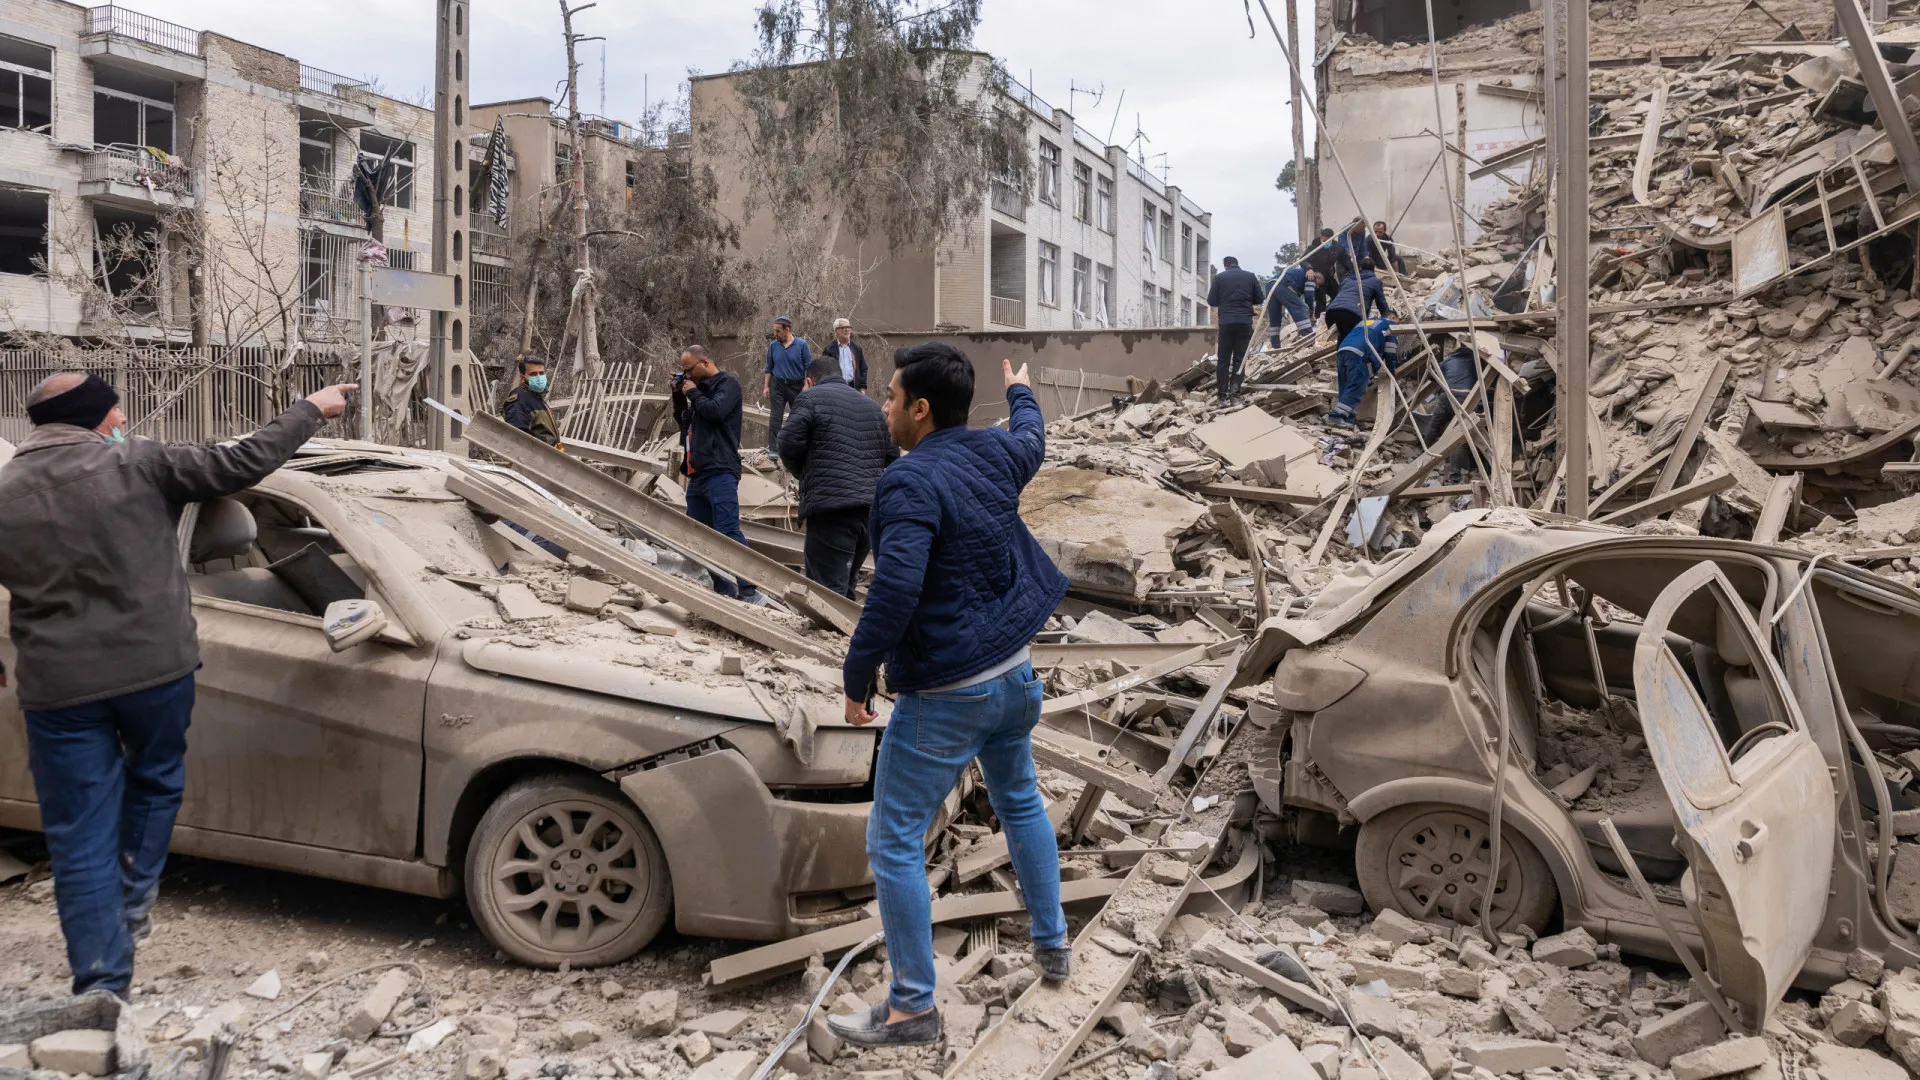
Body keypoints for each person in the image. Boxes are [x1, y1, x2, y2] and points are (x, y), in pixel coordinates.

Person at [0, 372, 355, 997]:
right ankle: (134, 899)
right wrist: (311, 409)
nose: (120, 421)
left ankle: (103, 983)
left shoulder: (5, 493)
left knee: (78, 830)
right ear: (99, 417)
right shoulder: (141, 462)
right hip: (154, 670)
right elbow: (240, 462)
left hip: (59, 687)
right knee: (157, 778)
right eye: (115, 411)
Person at [829, 344, 1070, 1048]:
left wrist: (856, 677)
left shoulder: (907, 483)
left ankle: (912, 1008)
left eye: (892, 397)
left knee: (894, 840)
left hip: (950, 691)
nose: (886, 407)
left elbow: (896, 587)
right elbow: (1031, 437)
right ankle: (1052, 947)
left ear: (920, 410)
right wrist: (1022, 392)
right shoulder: (995, 455)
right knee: (1021, 801)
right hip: (1016, 676)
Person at [776, 355, 897, 599]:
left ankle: (823, 638)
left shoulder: (809, 398)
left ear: (809, 381)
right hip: (869, 513)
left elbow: (787, 443)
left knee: (825, 594)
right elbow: (892, 456)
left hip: (831, 510)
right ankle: (846, 636)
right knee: (846, 587)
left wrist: (805, 473)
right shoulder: (873, 407)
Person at [672, 345, 760, 601]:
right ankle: (723, 590)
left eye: (689, 370)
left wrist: (694, 393)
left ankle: (749, 589)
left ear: (705, 362)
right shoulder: (697, 392)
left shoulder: (728, 384)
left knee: (727, 530)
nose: (687, 376)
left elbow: (716, 411)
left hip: (721, 469)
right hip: (697, 474)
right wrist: (679, 395)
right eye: (683, 372)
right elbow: (684, 421)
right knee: (700, 534)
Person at [1205, 255, 1264, 403]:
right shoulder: (1250, 277)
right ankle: (1235, 395)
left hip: (1226, 323)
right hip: (1244, 322)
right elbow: (1260, 298)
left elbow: (1211, 300)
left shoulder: (1220, 278)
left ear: (1225, 266)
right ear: (1237, 264)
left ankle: (1222, 397)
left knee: (1223, 360)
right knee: (1239, 359)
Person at [1328, 316, 1400, 429]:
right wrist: (1391, 370)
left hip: (1343, 349)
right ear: (1393, 317)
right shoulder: (1390, 324)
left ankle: (1348, 416)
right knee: (1357, 385)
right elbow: (1390, 351)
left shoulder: (1366, 321)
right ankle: (1336, 416)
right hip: (1360, 352)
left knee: (1346, 384)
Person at [764, 316, 812, 450]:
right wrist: (766, 386)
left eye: (778, 331)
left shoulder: (802, 345)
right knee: (775, 417)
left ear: (787, 330)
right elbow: (769, 367)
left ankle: (797, 447)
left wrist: (806, 384)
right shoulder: (773, 346)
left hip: (796, 386)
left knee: (798, 416)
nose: (775, 334)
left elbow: (809, 367)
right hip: (777, 385)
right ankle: (774, 449)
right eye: (774, 331)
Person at [1325, 256, 1389, 343]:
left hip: (1334, 311)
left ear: (1360, 268)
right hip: (1352, 312)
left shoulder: (1347, 279)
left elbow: (1339, 294)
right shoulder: (1375, 281)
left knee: (1343, 336)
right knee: (1355, 338)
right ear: (1374, 269)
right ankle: (1353, 355)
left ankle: (1341, 355)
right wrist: (1388, 318)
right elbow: (1381, 303)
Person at [502, 355, 559, 446]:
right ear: (522, 377)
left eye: (541, 373)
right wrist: (549, 444)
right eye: (533, 374)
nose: (539, 377)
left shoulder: (536, 397)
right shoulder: (518, 401)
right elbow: (518, 439)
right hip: (535, 458)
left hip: (547, 457)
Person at [1268, 265, 1316, 347]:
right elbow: (1309, 296)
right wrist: (1310, 314)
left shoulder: (1300, 274)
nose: (1316, 288)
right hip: (1282, 284)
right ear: (1318, 280)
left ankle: (1275, 347)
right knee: (1302, 308)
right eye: (1317, 286)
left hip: (1270, 284)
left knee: (1275, 318)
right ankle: (1309, 341)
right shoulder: (1312, 277)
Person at [819, 317, 869, 393]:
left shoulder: (857, 349)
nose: (847, 330)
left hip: (853, 388)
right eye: (843, 328)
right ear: (836, 331)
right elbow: (824, 370)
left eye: (848, 327)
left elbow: (863, 368)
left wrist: (862, 388)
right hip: (836, 388)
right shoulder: (829, 349)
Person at [1304, 228, 1339, 314]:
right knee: (1320, 302)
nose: (1328, 242)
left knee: (1339, 295)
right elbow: (1303, 260)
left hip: (1330, 278)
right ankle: (1319, 319)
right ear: (1322, 237)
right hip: (1318, 279)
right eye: (1326, 240)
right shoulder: (1313, 247)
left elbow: (1344, 259)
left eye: (1330, 240)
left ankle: (1329, 313)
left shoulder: (1335, 247)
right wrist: (1309, 268)